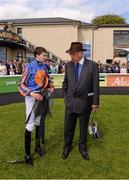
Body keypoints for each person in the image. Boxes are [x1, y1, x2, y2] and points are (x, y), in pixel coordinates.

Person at [62, 42, 99, 160]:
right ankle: (67, 147)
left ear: (80, 53)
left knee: (83, 128)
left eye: (72, 54)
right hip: (70, 103)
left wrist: (95, 103)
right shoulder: (69, 65)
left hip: (85, 103)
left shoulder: (92, 65)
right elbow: (65, 83)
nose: (71, 57)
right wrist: (66, 98)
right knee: (68, 127)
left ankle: (82, 147)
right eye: (70, 54)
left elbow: (96, 86)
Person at [18, 47, 54, 166]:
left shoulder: (44, 66)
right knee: (30, 125)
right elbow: (21, 84)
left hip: (42, 97)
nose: (46, 57)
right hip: (31, 98)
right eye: (44, 55)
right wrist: (32, 93)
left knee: (39, 122)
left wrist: (50, 86)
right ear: (37, 55)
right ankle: (27, 155)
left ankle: (38, 147)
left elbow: (47, 79)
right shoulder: (28, 66)